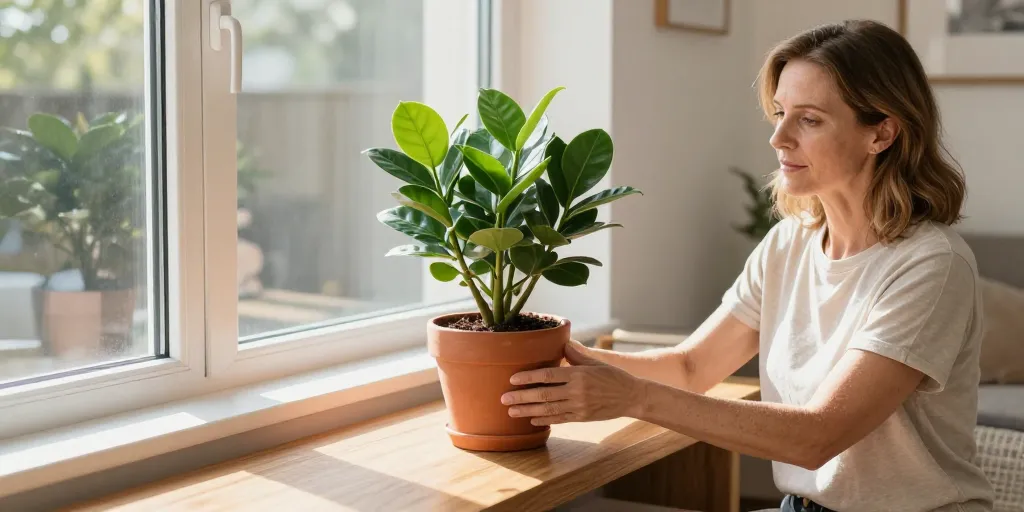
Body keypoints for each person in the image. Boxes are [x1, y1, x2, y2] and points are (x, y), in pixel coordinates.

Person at [500, 19, 995, 512]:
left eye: (809, 119)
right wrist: (545, 356)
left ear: (881, 132)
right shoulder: (788, 244)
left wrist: (633, 398)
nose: (779, 137)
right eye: (780, 112)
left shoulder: (932, 265)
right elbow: (691, 366)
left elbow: (819, 436)